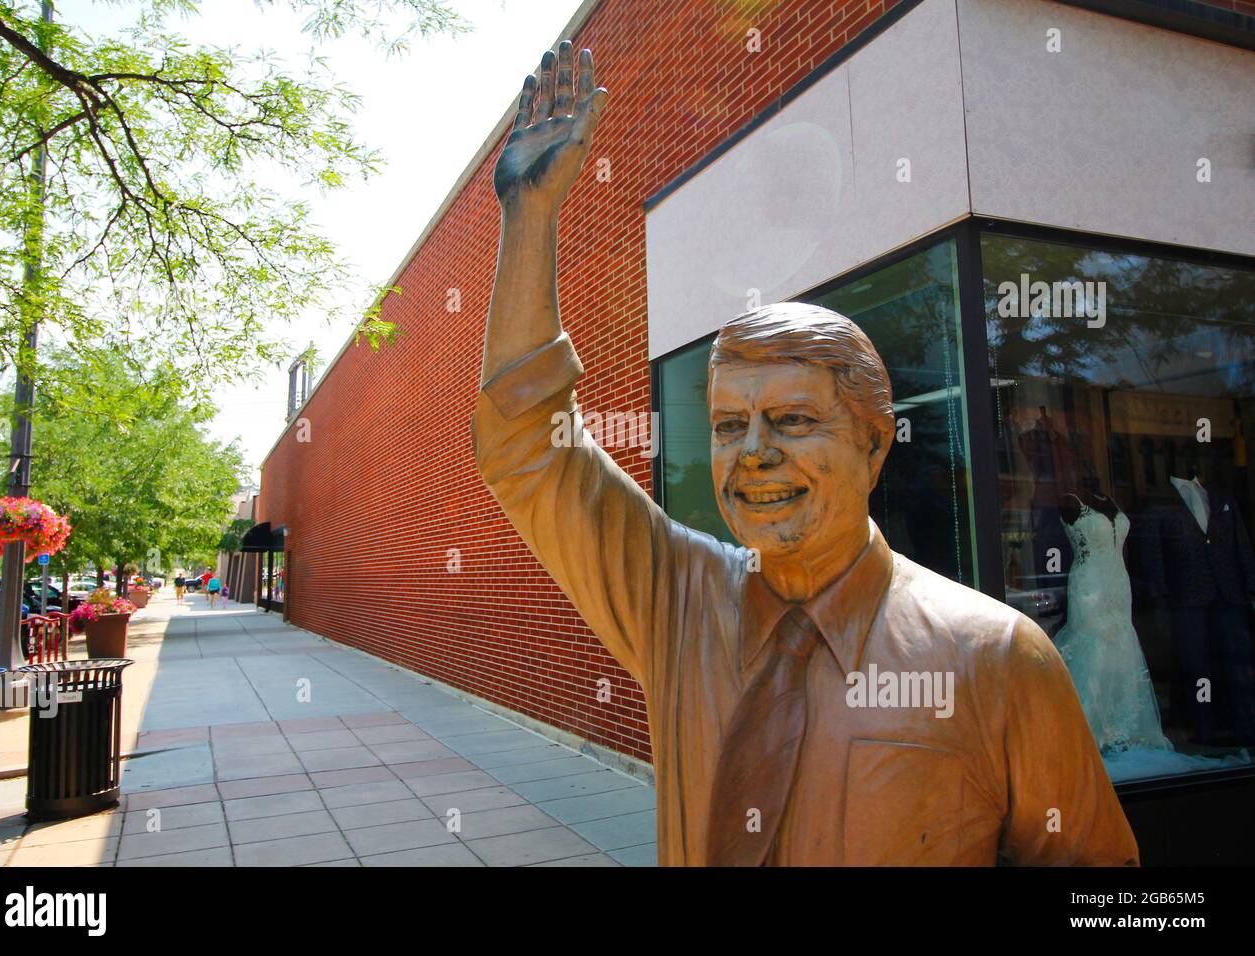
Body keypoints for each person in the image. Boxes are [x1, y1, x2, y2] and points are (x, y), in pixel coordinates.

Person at [472, 42, 1138, 866]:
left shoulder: (992, 657)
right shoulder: (679, 605)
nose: (752, 453)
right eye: (726, 427)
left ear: (874, 440)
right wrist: (530, 217)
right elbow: (527, 449)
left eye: (790, 421)